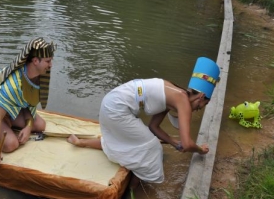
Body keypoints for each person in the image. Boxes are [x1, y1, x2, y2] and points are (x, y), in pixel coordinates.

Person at [67, 57, 220, 187]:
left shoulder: (174, 94)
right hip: (117, 110)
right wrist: (200, 150)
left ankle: (80, 142)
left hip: (110, 102)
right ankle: (137, 191)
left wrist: (174, 142)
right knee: (153, 149)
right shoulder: (183, 102)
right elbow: (187, 144)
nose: (200, 109)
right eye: (203, 105)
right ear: (201, 97)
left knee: (129, 142)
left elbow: (154, 127)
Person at [0, 37, 55, 167]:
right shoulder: (13, 85)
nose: (51, 65)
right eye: (48, 61)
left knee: (40, 125)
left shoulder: (38, 76)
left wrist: (28, 126)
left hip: (9, 107)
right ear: (35, 61)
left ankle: (9, 126)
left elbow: (29, 103)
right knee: (10, 144)